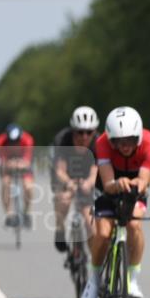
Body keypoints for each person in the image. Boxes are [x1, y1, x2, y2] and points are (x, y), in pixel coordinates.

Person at [80, 107, 150, 298]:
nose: (126, 146)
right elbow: (107, 184)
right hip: (109, 187)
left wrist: (136, 184)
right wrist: (117, 183)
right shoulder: (102, 143)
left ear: (139, 136)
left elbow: (144, 179)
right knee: (104, 234)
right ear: (111, 139)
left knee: (134, 225)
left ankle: (132, 280)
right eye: (120, 142)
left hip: (135, 187)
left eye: (132, 140)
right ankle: (95, 280)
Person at [51, 106, 99, 252]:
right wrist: (68, 182)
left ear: (95, 131)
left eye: (89, 132)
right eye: (80, 132)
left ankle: (94, 263)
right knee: (63, 199)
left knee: (90, 221)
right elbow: (59, 169)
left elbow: (95, 168)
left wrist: (89, 183)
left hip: (86, 175)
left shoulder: (98, 142)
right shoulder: (63, 139)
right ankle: (60, 231)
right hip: (66, 175)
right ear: (73, 130)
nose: (84, 137)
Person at [0, 124, 35, 228]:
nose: (14, 143)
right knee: (5, 183)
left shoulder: (28, 139)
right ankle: (9, 214)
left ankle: (26, 212)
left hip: (23, 165)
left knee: (28, 187)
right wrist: (8, 164)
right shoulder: (0, 141)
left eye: (17, 141)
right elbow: (2, 161)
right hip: (8, 164)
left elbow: (27, 161)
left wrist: (21, 164)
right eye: (11, 142)